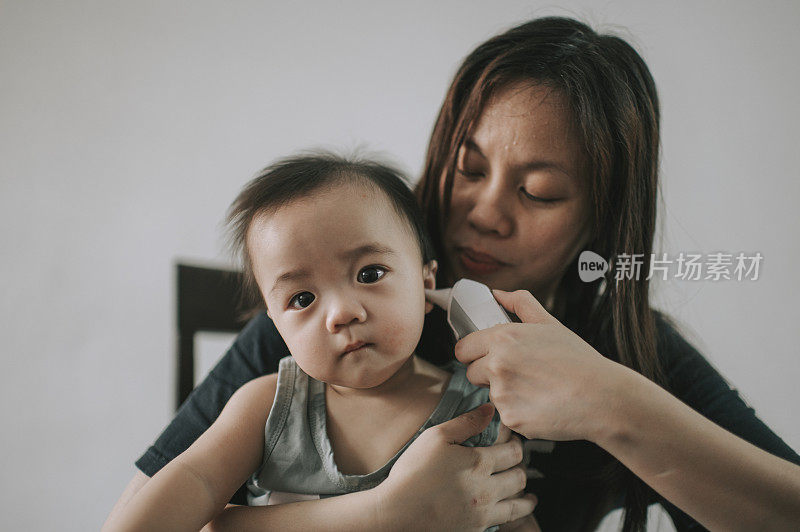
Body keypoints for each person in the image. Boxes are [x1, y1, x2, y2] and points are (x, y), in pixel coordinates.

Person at [106, 17, 800, 532]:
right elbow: (149, 518)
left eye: (540, 192)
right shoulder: (319, 332)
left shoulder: (626, 353)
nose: (486, 211)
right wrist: (385, 513)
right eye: (469, 168)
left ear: (600, 220)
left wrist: (613, 405)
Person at [103, 154, 535, 531]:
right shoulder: (267, 408)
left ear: (426, 281)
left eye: (369, 274)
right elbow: (192, 483)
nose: (341, 312)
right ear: (276, 324)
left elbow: (509, 512)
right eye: (302, 299)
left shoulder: (479, 409)